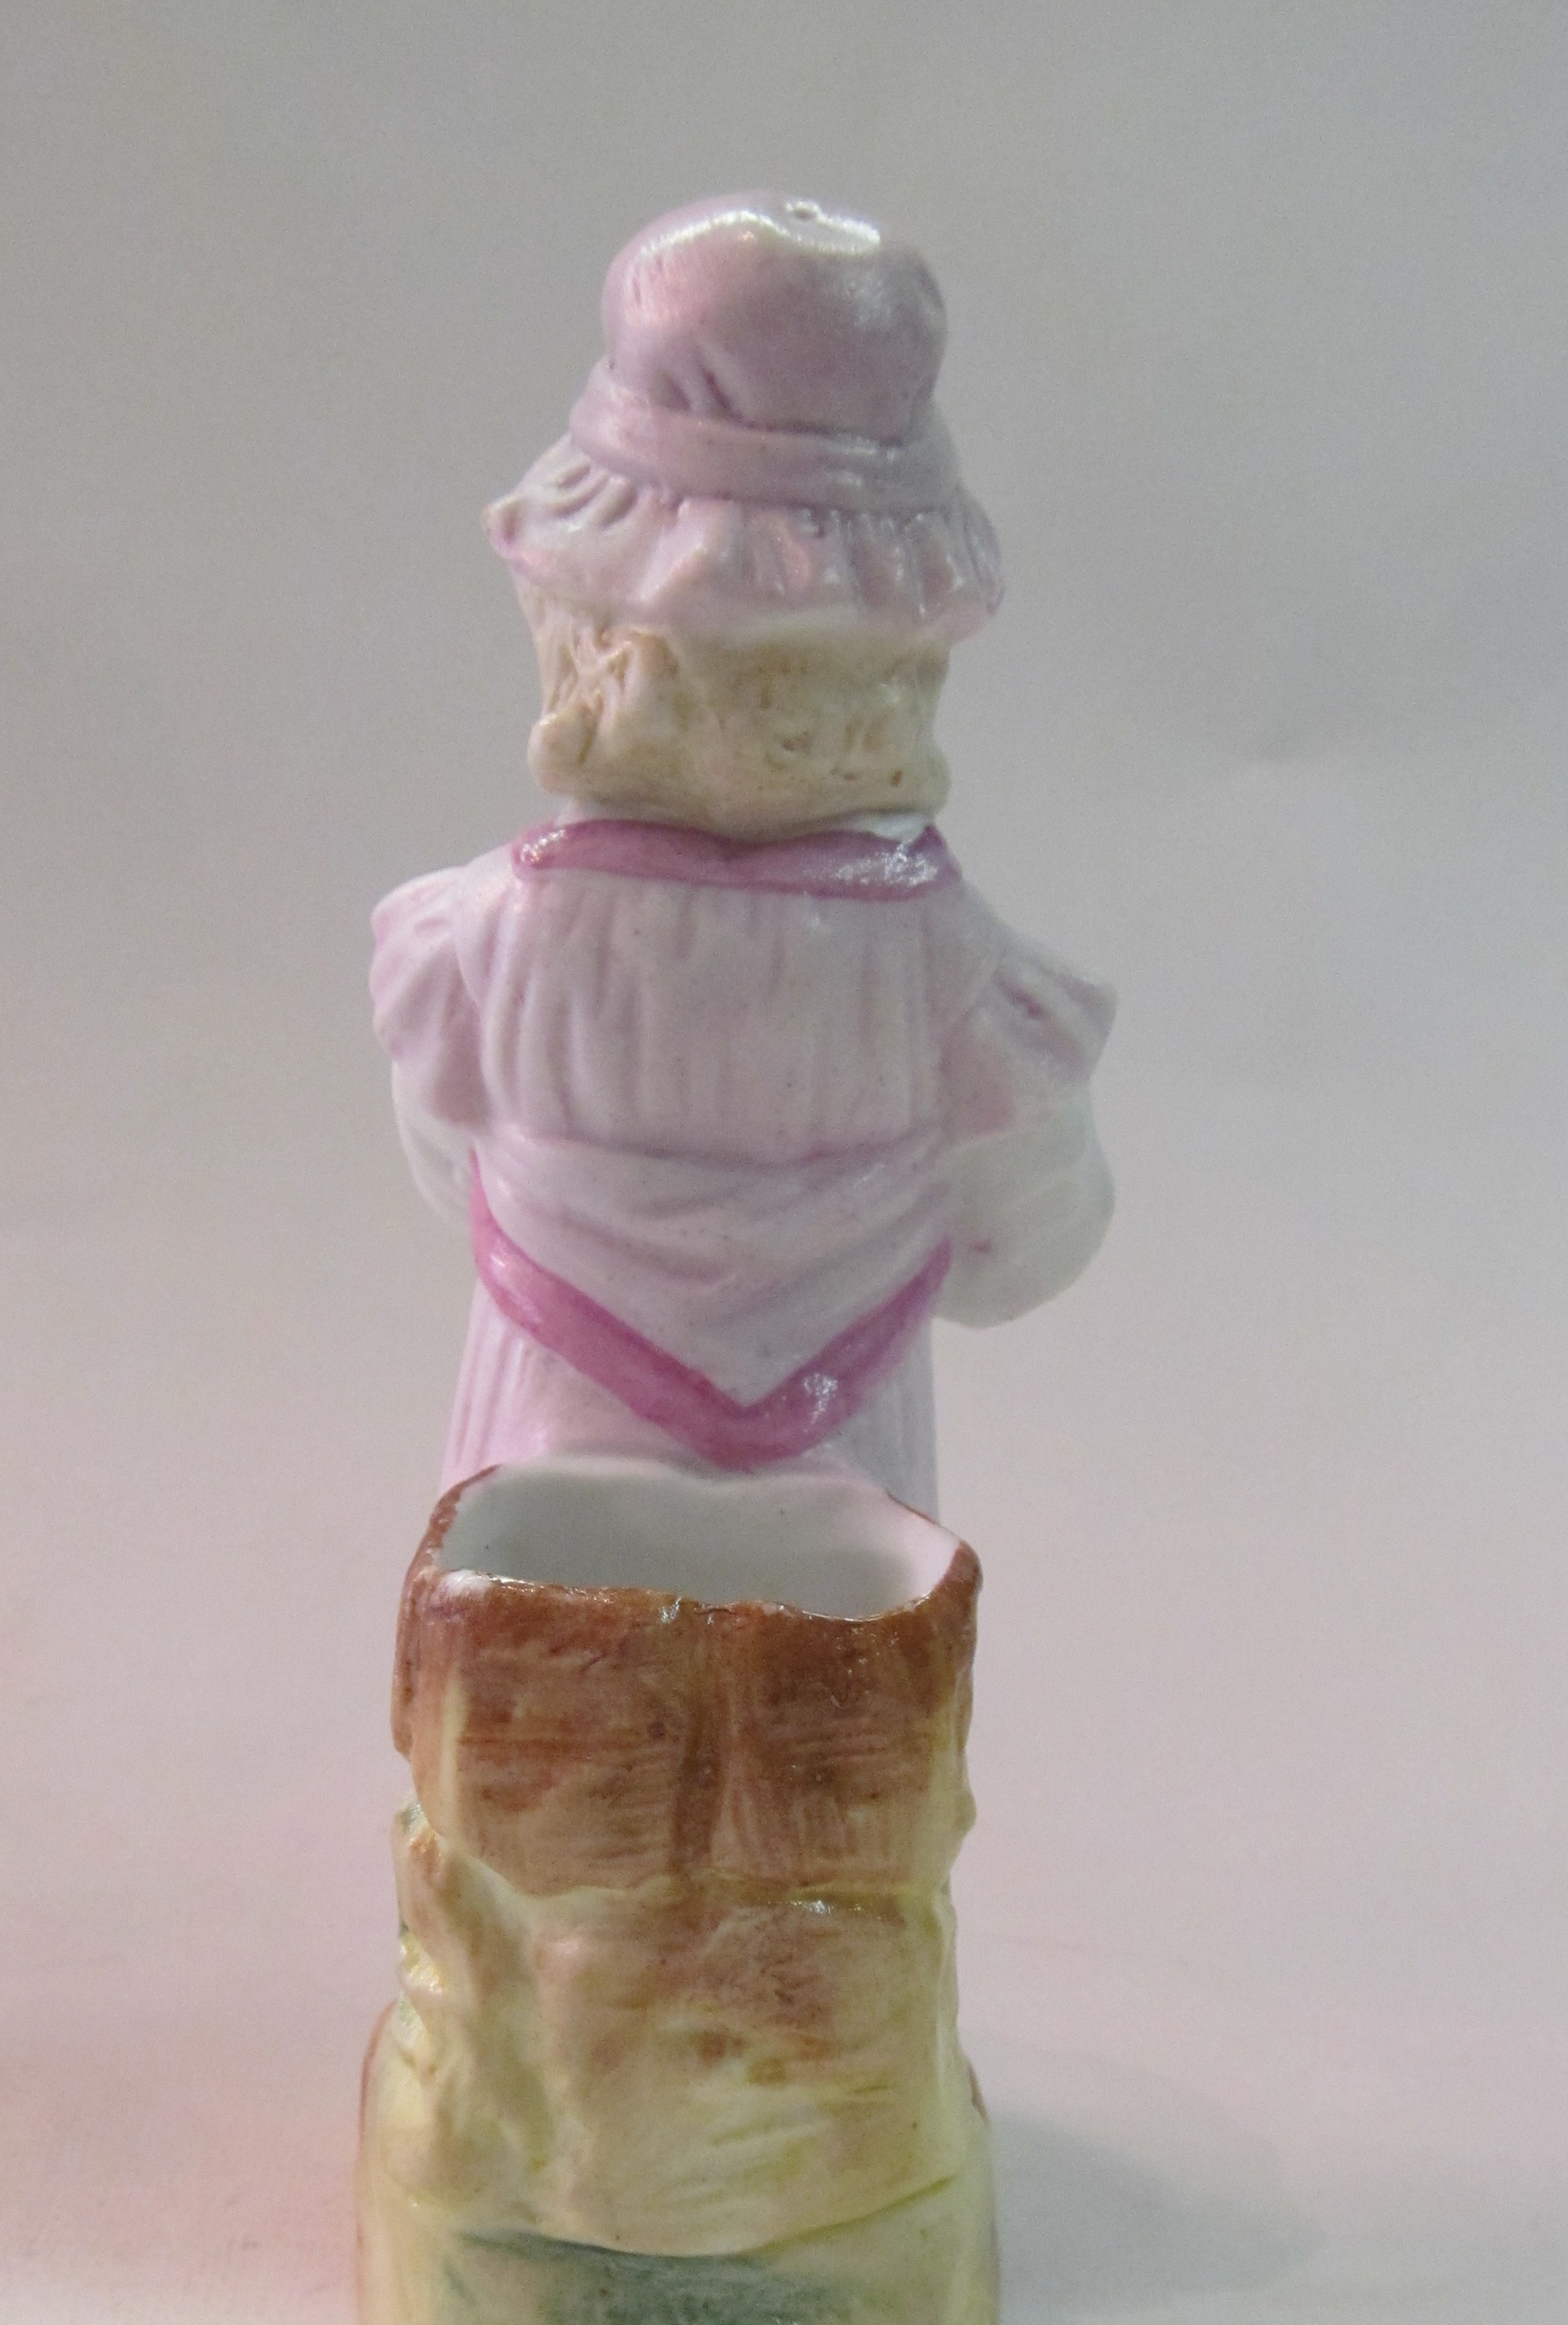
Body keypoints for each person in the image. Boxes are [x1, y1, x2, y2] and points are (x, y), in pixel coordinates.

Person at [371, 192, 1115, 1520]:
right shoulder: (947, 970)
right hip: (838, 1495)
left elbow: (447, 1167)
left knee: (532, 1632)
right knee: (836, 1641)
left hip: (542, 1484)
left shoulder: (485, 938)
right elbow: (1024, 1248)